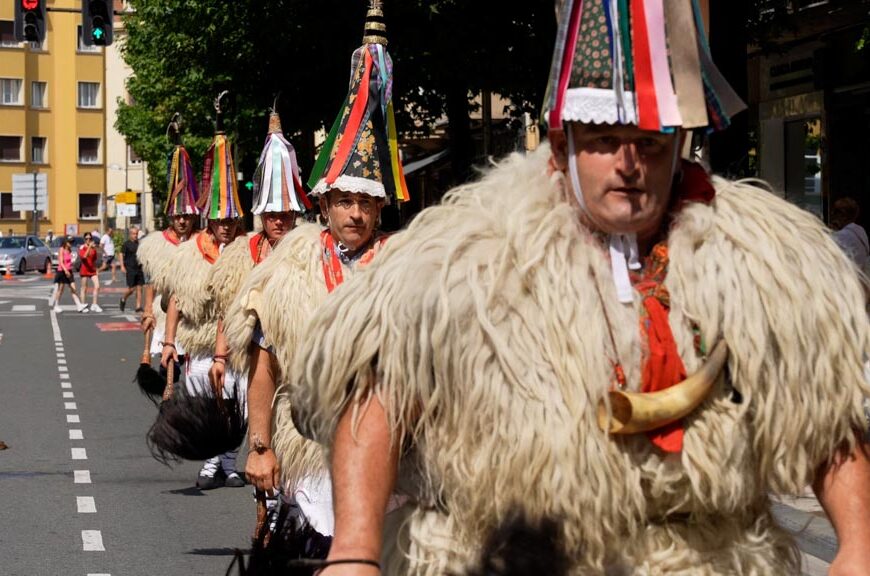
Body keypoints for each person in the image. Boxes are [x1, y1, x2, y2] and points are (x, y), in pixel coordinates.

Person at [287, 2, 870, 575]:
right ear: (562, 144)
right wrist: (355, 552)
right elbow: (377, 393)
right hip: (503, 556)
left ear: (680, 140)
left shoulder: (762, 261)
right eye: (602, 138)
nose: (627, 163)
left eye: (649, 140)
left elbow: (829, 413)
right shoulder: (467, 255)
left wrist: (859, 544)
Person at [224, 7, 407, 551]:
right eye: (345, 200)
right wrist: (260, 446)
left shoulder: (405, 267)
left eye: (366, 203)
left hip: (392, 457)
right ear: (324, 203)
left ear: (380, 208)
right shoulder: (289, 271)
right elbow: (264, 362)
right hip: (310, 451)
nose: (355, 213)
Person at [160, 100, 247, 490]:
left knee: (237, 405)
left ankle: (228, 463)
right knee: (208, 404)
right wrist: (167, 342)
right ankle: (212, 463)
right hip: (200, 344)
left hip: (238, 346)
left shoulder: (249, 249)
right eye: (220, 220)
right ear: (209, 219)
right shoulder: (193, 249)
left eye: (231, 220)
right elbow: (177, 298)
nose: (226, 227)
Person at [138, 126, 199, 366]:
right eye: (177, 216)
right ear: (170, 217)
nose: (182, 220)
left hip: (194, 317)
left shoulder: (201, 242)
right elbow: (151, 281)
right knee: (169, 374)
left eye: (186, 215)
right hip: (166, 313)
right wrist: (147, 311)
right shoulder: (157, 244)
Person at [832, 197, 870, 275]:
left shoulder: (842, 235)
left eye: (835, 212)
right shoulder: (861, 230)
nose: (832, 214)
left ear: (843, 215)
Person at [50, 237, 87, 314]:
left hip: (69, 271)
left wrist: (71, 267)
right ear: (65, 242)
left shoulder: (69, 250)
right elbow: (61, 262)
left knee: (73, 288)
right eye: (69, 242)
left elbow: (69, 261)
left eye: (71, 242)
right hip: (62, 271)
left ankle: (79, 305)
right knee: (60, 290)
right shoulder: (61, 249)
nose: (71, 244)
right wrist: (65, 270)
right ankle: (56, 305)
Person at [120, 227, 145, 312]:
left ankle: (138, 306)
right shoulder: (126, 244)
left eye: (136, 234)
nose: (135, 235)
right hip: (130, 268)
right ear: (130, 234)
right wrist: (122, 266)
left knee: (139, 288)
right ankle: (123, 298)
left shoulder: (140, 243)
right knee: (131, 289)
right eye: (134, 234)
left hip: (139, 268)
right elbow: (121, 254)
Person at [78, 233, 102, 312]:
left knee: (97, 286)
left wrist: (97, 269)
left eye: (90, 238)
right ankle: (82, 305)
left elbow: (94, 260)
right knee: (84, 288)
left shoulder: (93, 249)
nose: (88, 240)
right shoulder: (82, 247)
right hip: (84, 269)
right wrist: (89, 247)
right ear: (84, 239)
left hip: (92, 270)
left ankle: (94, 305)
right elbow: (84, 256)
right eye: (86, 238)